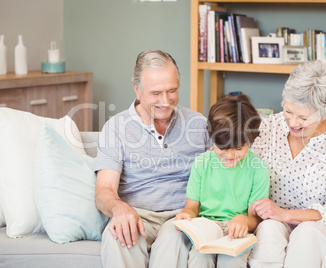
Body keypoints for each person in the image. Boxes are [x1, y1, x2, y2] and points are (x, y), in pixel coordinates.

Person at [94, 50, 212, 268]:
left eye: (172, 91)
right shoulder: (116, 128)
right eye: (156, 93)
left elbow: (226, 168)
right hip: (138, 215)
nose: (166, 101)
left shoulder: (198, 124)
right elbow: (104, 191)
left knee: (174, 238)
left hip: (183, 214)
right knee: (117, 237)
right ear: (137, 90)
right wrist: (119, 209)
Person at [249, 60, 326, 268]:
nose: (293, 123)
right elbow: (247, 169)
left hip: (320, 226)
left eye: (303, 117)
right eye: (288, 111)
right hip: (274, 221)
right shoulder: (269, 126)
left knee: (306, 233)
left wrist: (286, 214)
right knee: (269, 230)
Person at [173, 94, 270, 267]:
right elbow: (191, 207)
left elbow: (254, 219)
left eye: (238, 149)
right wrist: (186, 215)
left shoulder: (258, 169)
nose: (230, 155)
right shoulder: (202, 163)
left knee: (232, 261)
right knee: (198, 259)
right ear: (212, 138)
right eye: (222, 148)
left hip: (237, 231)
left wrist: (243, 220)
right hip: (206, 227)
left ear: (251, 141)